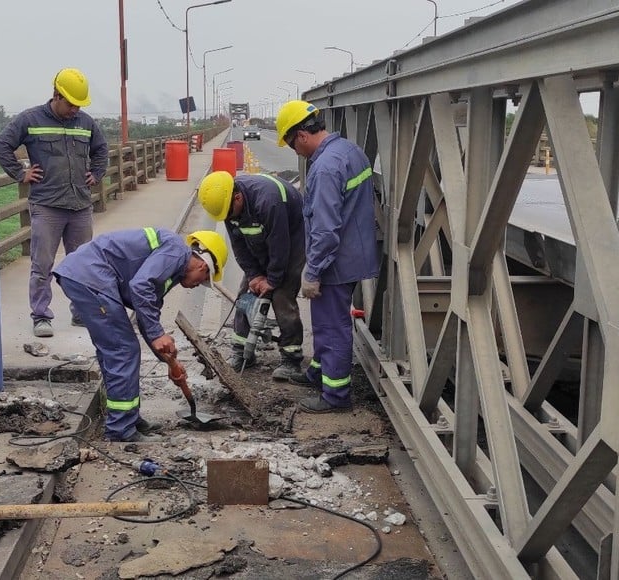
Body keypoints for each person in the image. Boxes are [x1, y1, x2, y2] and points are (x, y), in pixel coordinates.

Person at [53, 228, 228, 443]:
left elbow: (148, 311)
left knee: (117, 349)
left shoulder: (172, 268)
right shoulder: (176, 251)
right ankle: (120, 430)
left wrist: (169, 361)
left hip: (86, 276)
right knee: (123, 350)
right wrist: (157, 335)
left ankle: (128, 418)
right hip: (89, 277)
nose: (196, 286)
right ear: (202, 265)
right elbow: (140, 286)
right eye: (202, 280)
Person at [276, 100, 378, 414]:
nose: (296, 151)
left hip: (335, 260)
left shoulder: (325, 168)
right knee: (325, 324)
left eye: (293, 145)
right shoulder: (349, 150)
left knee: (332, 327)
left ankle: (335, 396)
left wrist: (313, 271)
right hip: (353, 252)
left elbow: (325, 228)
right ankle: (319, 372)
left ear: (301, 135)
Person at [0, 68, 109, 339]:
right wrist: (21, 173)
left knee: (82, 263)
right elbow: (1, 145)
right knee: (42, 264)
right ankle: (41, 315)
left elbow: (101, 149)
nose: (74, 109)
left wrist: (98, 172)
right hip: (47, 206)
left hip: (80, 205)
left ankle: (82, 312)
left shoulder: (86, 123)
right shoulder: (30, 119)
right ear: (56, 95)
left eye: (79, 104)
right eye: (70, 104)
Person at [198, 170, 305, 379]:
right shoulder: (228, 206)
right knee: (246, 295)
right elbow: (239, 246)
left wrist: (272, 280)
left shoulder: (268, 201)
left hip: (290, 239)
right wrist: (254, 275)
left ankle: (291, 359)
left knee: (282, 295)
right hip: (260, 237)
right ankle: (241, 351)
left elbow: (280, 245)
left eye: (230, 214)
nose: (228, 219)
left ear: (238, 197)